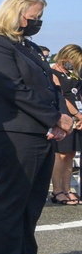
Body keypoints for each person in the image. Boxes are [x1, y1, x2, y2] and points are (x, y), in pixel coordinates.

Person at [0, 0, 70, 254]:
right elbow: (14, 89)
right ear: (15, 13)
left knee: (33, 201)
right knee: (11, 198)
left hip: (38, 131)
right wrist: (53, 118)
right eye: (33, 16)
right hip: (14, 133)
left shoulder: (27, 47)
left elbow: (50, 87)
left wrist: (59, 118)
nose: (37, 22)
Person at [49, 44, 82, 205]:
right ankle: (57, 190)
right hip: (64, 115)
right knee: (60, 154)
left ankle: (68, 189)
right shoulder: (53, 73)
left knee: (70, 154)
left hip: (77, 117)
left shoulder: (74, 76)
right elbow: (62, 97)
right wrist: (76, 114)